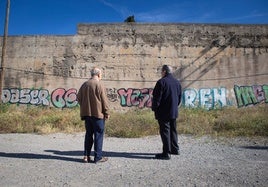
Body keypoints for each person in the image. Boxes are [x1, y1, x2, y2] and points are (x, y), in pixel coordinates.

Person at [77, 67, 110, 163]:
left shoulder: (85, 85)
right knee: (98, 135)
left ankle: (86, 156)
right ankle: (98, 157)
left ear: (91, 75)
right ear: (99, 74)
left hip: (87, 114)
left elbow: (78, 98)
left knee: (88, 135)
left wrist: (85, 106)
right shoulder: (99, 84)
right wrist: (107, 112)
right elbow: (104, 101)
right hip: (98, 115)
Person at [152, 65, 182, 160]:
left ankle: (166, 153)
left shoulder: (161, 82)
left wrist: (154, 108)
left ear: (164, 71)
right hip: (173, 111)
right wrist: (174, 107)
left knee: (165, 131)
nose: (161, 73)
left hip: (163, 112)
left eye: (161, 71)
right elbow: (179, 98)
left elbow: (157, 99)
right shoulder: (177, 82)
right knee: (173, 130)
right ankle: (175, 149)